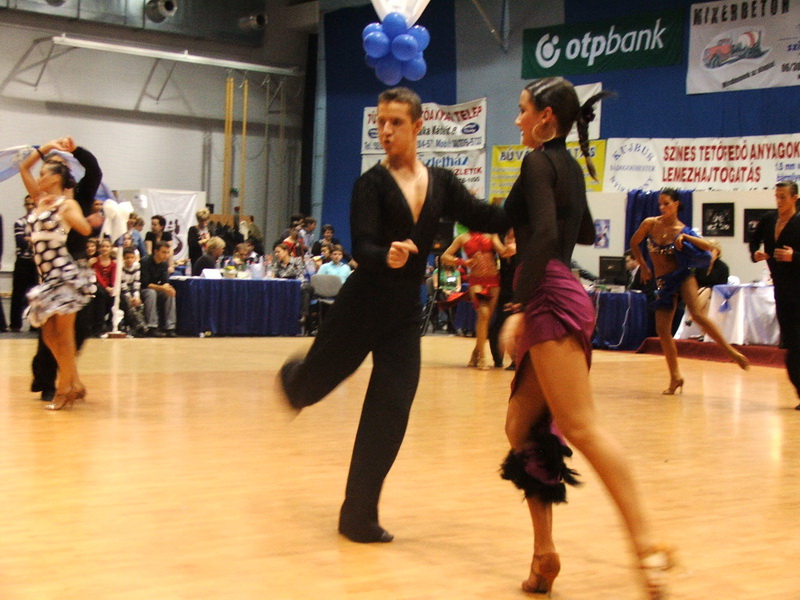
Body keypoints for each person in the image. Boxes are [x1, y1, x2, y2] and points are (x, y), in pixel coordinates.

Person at [275, 87, 509, 544]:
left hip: (403, 313)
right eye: (380, 122)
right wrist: (387, 255)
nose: (385, 130)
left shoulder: (441, 182)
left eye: (395, 122)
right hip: (362, 303)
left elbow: (483, 214)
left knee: (391, 409)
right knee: (313, 385)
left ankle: (358, 516)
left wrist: (528, 204)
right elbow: (362, 244)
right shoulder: (370, 184)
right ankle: (294, 380)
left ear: (418, 126)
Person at [498, 77, 672, 600]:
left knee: (581, 425)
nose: (517, 119)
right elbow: (583, 231)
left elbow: (552, 235)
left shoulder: (537, 162)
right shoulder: (567, 166)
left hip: (548, 296)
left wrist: (519, 305)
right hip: (560, 290)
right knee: (522, 427)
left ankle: (648, 543)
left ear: (546, 117)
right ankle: (543, 555)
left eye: (523, 110)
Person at [630, 188, 749, 394]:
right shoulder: (650, 223)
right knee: (662, 329)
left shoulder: (682, 229)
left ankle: (731, 352)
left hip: (683, 276)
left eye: (666, 203)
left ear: (676, 204)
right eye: (660, 204)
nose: (662, 207)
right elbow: (634, 243)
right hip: (663, 281)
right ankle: (675, 376)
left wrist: (686, 238)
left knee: (697, 314)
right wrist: (644, 266)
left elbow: (708, 247)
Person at [18, 141, 95, 410]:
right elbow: (23, 167)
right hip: (46, 278)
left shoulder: (67, 204)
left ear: (56, 178)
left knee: (63, 334)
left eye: (44, 174)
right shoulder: (40, 200)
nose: (39, 177)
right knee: (49, 335)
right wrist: (47, 147)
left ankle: (64, 390)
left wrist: (83, 217)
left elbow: (84, 229)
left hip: (63, 274)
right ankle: (75, 383)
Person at [750, 181, 800, 409]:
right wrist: (756, 253)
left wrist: (794, 256)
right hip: (781, 290)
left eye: (783, 197)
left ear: (794, 198)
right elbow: (754, 241)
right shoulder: (769, 220)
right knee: (790, 343)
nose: (779, 201)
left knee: (797, 343)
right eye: (777, 196)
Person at [442, 231, 505, 369]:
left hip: (494, 280)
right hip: (476, 280)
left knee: (486, 320)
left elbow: (503, 252)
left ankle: (475, 352)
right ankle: (482, 357)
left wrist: (512, 245)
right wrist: (462, 262)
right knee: (483, 313)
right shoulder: (462, 237)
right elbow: (445, 256)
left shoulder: (492, 235)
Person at [489, 228, 518, 369]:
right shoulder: (502, 238)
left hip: (516, 292)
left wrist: (493, 235)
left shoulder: (521, 242)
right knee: (495, 328)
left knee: (512, 328)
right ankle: (498, 360)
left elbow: (505, 252)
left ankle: (515, 361)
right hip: (503, 290)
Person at [9, 196, 38, 332]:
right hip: (22, 261)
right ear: (25, 205)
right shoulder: (19, 222)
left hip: (37, 262)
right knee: (18, 293)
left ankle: (35, 324)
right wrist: (34, 239)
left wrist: (29, 239)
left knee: (36, 294)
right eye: (28, 204)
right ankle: (15, 324)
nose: (30, 206)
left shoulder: (41, 223)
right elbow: (20, 241)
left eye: (33, 204)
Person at [140, 241, 176, 337]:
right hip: (143, 289)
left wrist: (168, 288)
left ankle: (170, 327)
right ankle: (152, 326)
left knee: (170, 293)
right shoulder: (145, 261)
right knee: (151, 293)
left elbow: (165, 280)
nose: (166, 255)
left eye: (167, 252)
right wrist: (162, 288)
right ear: (156, 251)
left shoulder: (164, 264)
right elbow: (145, 283)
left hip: (156, 288)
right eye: (163, 252)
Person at [119, 247, 147, 336]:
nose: (130, 260)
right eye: (127, 257)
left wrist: (136, 297)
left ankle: (139, 326)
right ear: (123, 258)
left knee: (139, 303)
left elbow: (137, 282)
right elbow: (122, 285)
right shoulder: (120, 267)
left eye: (132, 257)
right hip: (122, 290)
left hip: (133, 289)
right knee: (128, 303)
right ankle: (139, 325)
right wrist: (130, 298)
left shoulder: (137, 266)